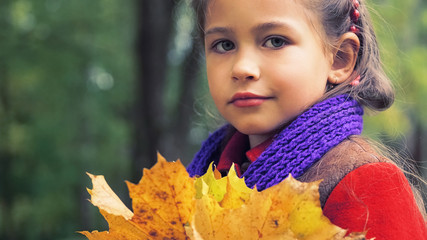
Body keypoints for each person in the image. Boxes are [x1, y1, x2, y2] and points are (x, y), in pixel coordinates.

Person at [186, 0, 427, 238]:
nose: (242, 68)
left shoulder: (364, 185)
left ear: (340, 58)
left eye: (275, 41)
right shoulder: (206, 173)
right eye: (224, 45)